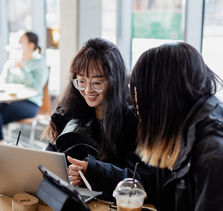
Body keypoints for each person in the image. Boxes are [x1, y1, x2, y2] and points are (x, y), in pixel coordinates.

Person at [43, 38, 152, 199]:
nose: (88, 90)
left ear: (115, 81)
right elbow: (52, 156)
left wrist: (94, 171)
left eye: (97, 83)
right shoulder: (69, 110)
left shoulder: (134, 120)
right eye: (81, 81)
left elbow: (146, 181)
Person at [127, 42, 223, 210]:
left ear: (161, 98)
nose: (137, 107)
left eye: (140, 96)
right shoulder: (188, 133)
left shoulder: (212, 155)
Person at [0, 31, 48, 142]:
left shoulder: (39, 64)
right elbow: (3, 82)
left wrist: (22, 69)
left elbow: (36, 87)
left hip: (30, 103)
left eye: (21, 42)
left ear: (31, 45)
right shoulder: (12, 62)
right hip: (10, 101)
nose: (18, 45)